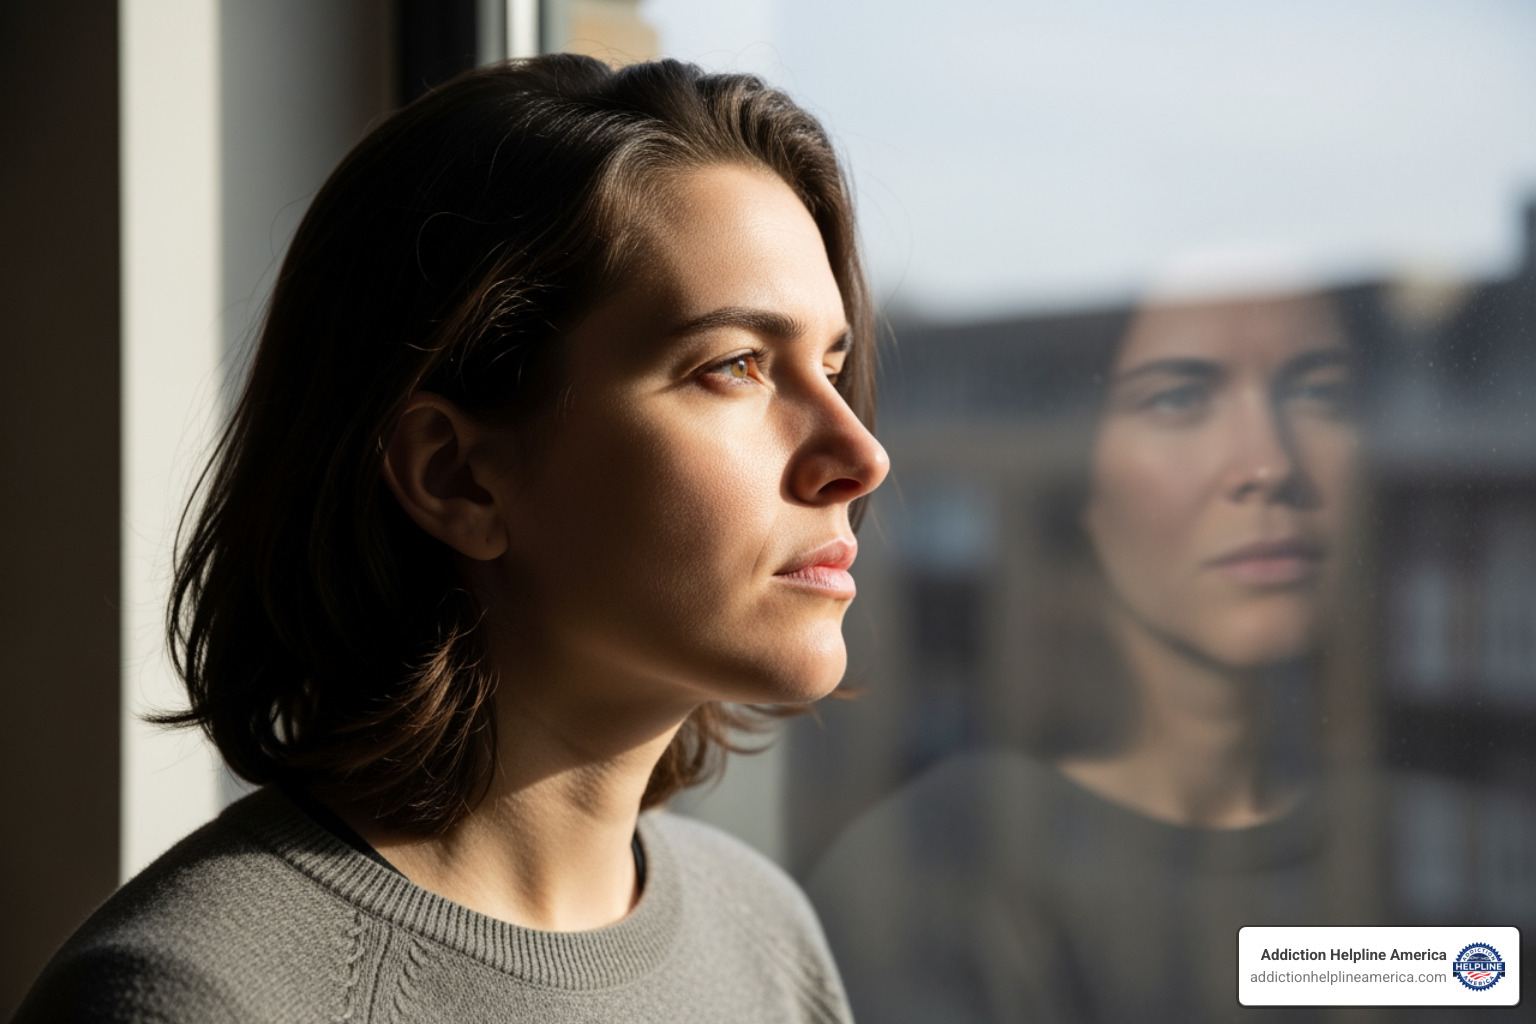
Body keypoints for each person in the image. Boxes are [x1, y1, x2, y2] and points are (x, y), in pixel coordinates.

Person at [17, 55, 887, 1023]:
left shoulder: (766, 934)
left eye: (831, 363)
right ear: (456, 475)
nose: (858, 454)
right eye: (736, 366)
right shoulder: (190, 1001)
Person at [807, 269, 1363, 1024]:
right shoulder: (949, 849)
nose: (1270, 467)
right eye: (1181, 399)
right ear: (1090, 503)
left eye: (1315, 394)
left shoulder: (1376, 832)